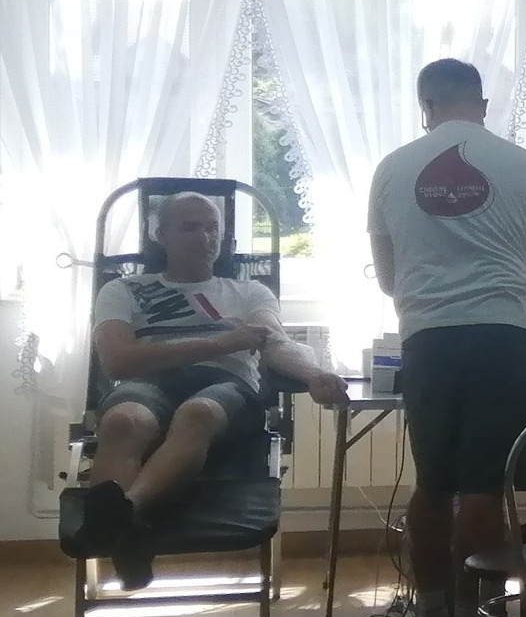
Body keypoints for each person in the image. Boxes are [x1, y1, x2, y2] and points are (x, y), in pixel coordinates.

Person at [369, 58, 526, 617]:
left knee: (433, 484)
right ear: (481, 103)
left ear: (424, 105)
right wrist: (504, 307)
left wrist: (435, 303)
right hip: (504, 336)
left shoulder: (392, 168)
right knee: (485, 485)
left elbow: (387, 277)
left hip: (427, 339)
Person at [78, 192, 347, 589]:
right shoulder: (124, 290)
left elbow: (277, 344)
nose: (205, 238)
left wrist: (315, 375)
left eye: (212, 228)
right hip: (148, 383)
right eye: (190, 227)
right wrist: (218, 343)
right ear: (159, 234)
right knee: (120, 421)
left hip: (225, 386)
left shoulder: (248, 292)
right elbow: (117, 361)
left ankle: (122, 517)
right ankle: (126, 529)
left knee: (198, 413)